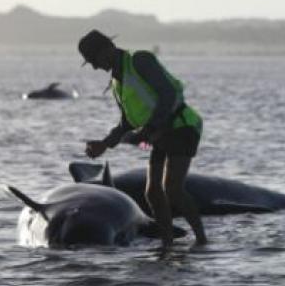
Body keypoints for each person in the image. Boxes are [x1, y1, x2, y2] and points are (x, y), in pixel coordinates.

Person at [78, 29, 208, 255]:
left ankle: (202, 241)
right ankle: (167, 245)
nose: (95, 67)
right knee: (152, 193)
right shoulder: (117, 82)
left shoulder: (140, 60)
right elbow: (126, 122)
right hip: (160, 134)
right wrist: (104, 143)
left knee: (173, 189)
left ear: (107, 48)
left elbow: (168, 94)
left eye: (94, 60)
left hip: (181, 126)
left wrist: (151, 128)